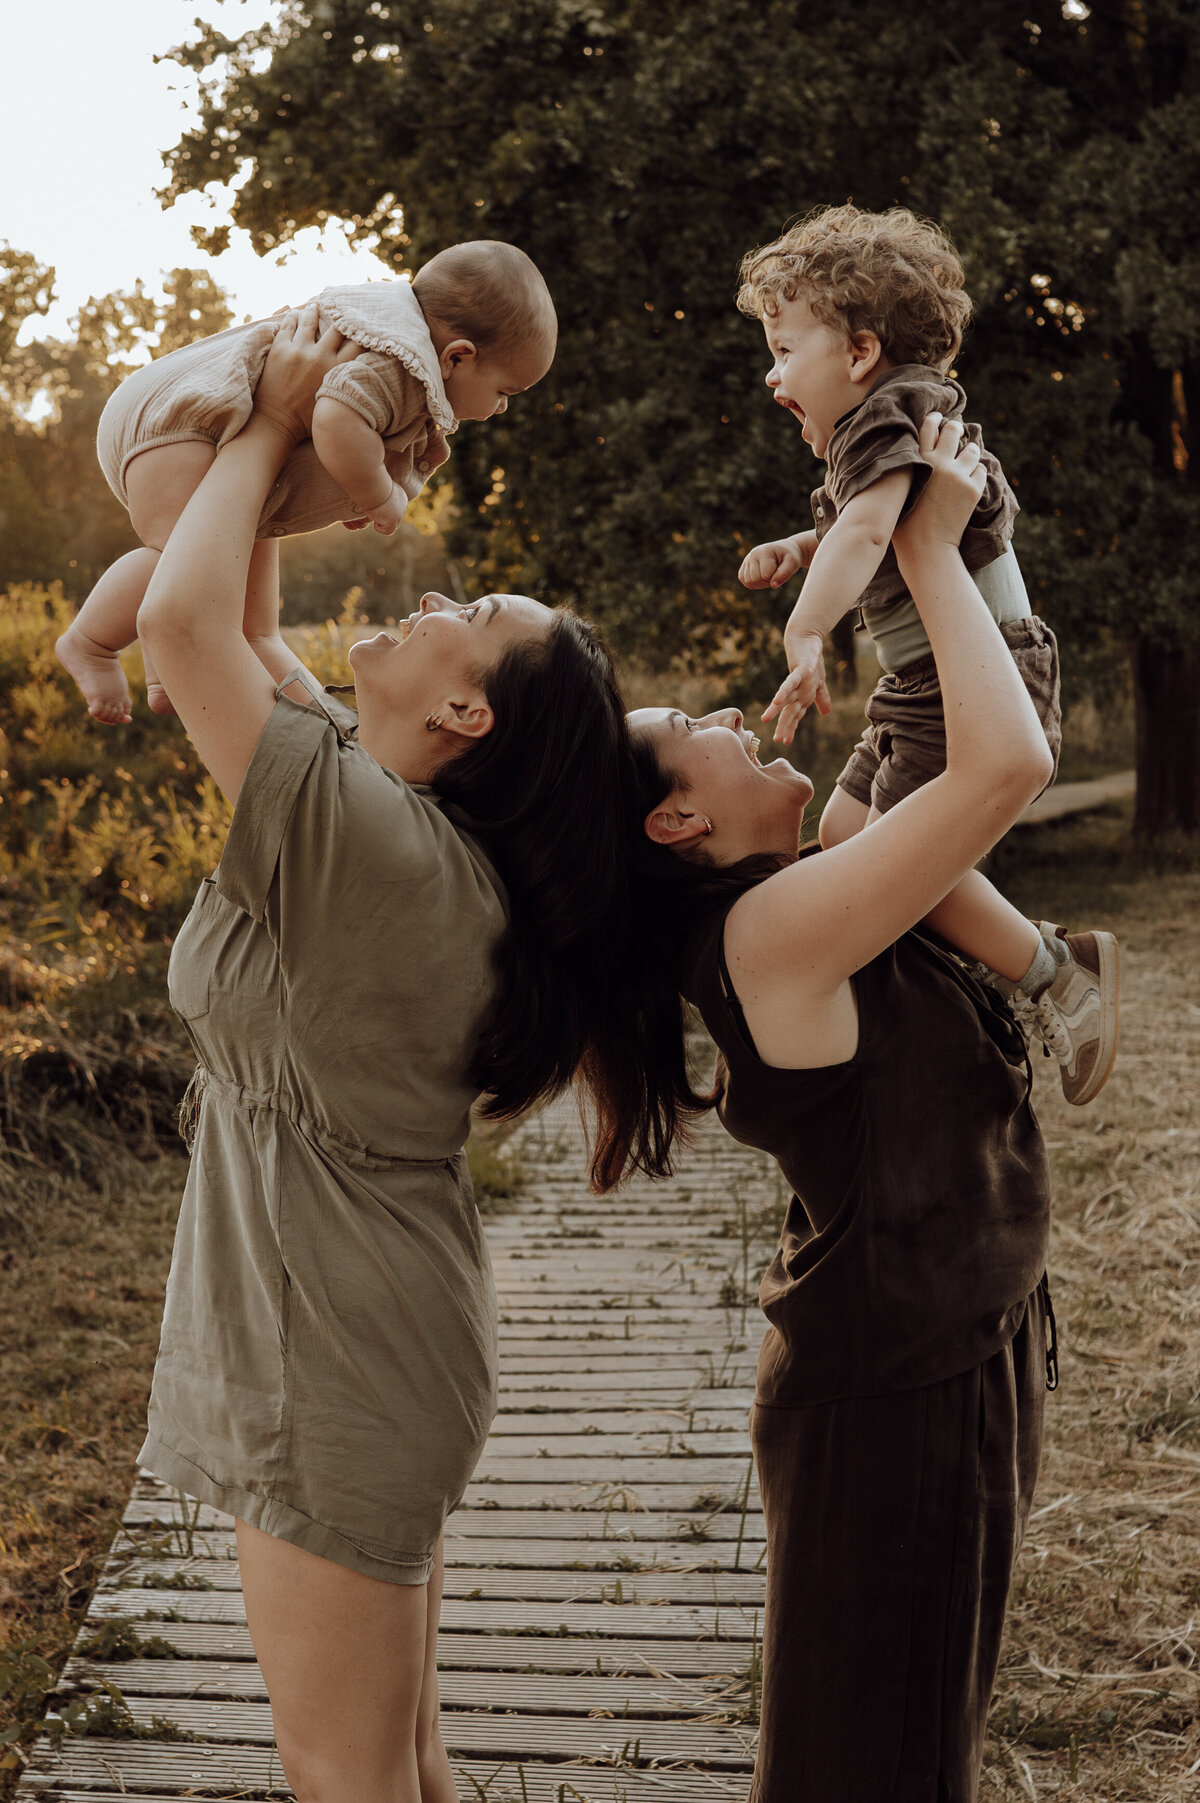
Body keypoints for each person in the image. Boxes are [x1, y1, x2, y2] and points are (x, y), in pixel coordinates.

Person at [132, 304, 639, 1803]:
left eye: (465, 610)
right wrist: (278, 432)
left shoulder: (380, 846)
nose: (428, 595)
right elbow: (240, 636)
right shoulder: (384, 817)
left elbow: (178, 630)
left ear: (466, 709)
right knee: (396, 1768)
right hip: (364, 1331)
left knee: (348, 1773)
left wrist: (270, 425)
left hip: (339, 1356)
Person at [608, 419, 1063, 1801]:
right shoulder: (767, 934)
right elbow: (1006, 762)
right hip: (894, 1397)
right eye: (693, 733)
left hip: (946, 1351)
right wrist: (923, 543)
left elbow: (938, 738)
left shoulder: (812, 883)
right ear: (677, 825)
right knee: (872, 1762)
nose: (727, 716)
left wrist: (923, 548)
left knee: (903, 1744)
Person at [735, 203, 1116, 1105]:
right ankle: (1012, 953)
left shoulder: (883, 418)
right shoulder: (889, 424)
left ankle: (1054, 973)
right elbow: (865, 522)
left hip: (969, 682)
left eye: (785, 350)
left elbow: (872, 530)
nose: (772, 374)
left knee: (898, 858)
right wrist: (803, 546)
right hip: (922, 684)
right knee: (844, 836)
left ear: (860, 351)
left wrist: (805, 629)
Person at [57, 240, 556, 724]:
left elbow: (337, 436)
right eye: (505, 391)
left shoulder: (400, 356)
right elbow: (336, 420)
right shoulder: (399, 365)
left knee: (221, 581)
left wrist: (355, 481)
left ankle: (167, 673)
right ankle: (92, 644)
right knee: (184, 557)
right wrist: (376, 493)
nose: (502, 407)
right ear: (457, 357)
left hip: (193, 424)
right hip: (181, 422)